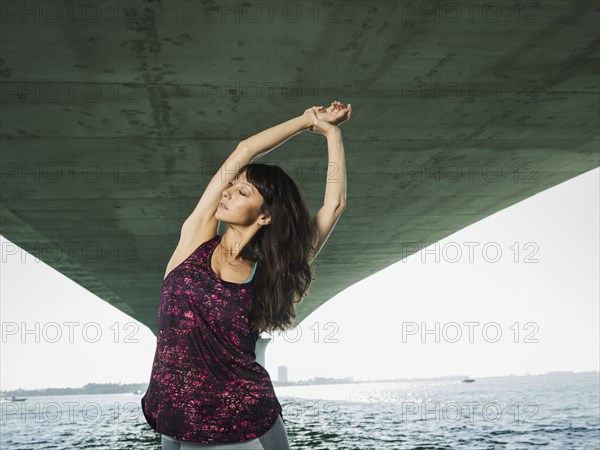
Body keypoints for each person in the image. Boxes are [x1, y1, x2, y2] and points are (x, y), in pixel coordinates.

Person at [141, 101, 352, 449]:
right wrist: (306, 121)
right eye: (232, 185)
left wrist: (333, 134)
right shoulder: (194, 239)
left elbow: (334, 206)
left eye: (243, 192)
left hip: (240, 420)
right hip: (175, 416)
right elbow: (246, 149)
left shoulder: (270, 272)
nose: (227, 191)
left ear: (265, 216)